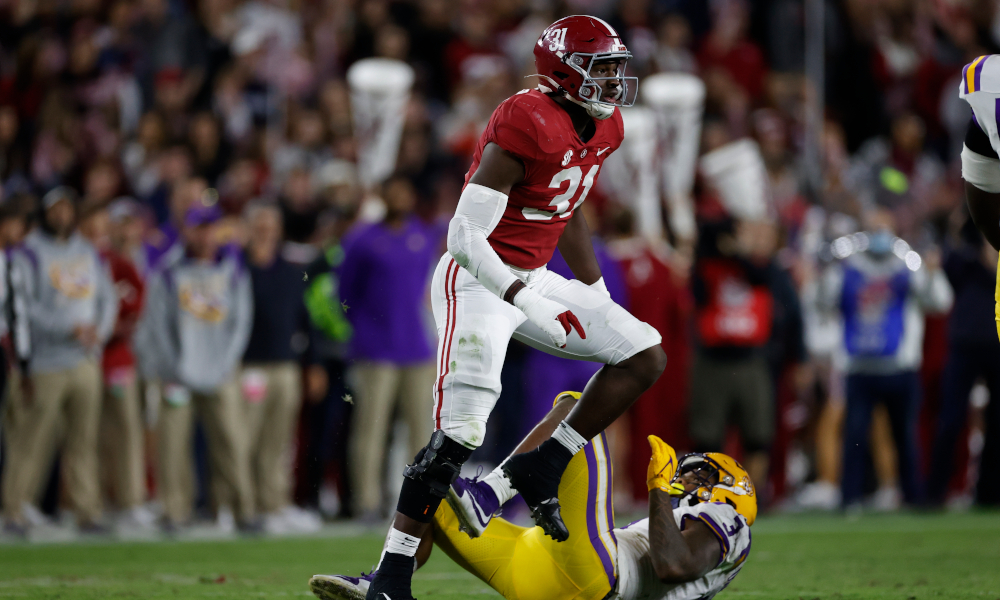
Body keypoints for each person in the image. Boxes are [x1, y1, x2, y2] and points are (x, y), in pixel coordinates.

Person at [333, 17, 666, 600]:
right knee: (460, 431)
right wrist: (518, 296)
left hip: (532, 276)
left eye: (617, 66)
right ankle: (390, 578)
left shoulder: (606, 126)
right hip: (477, 280)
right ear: (564, 71)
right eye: (601, 67)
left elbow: (569, 206)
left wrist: (596, 293)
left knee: (643, 353)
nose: (614, 80)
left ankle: (529, 470)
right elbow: (463, 235)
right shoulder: (527, 119)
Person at [310, 392, 754, 600]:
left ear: (728, 485)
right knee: (434, 473)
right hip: (543, 568)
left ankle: (489, 494)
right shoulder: (701, 519)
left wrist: (658, 492)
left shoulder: (729, 523)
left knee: (577, 408)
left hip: (597, 579)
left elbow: (672, 565)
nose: (686, 480)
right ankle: (389, 582)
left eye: (697, 474)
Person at [817, 207, 952, 509]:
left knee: (905, 436)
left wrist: (931, 273)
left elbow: (940, 303)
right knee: (854, 436)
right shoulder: (846, 267)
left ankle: (912, 497)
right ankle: (849, 499)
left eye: (883, 228)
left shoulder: (909, 265)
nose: (878, 235)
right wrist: (826, 271)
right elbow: (824, 302)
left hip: (899, 366)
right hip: (859, 366)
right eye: (872, 228)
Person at [2, 186, 118, 533]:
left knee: (84, 440)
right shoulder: (28, 254)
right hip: (46, 361)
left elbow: (107, 298)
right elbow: (24, 308)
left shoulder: (89, 252)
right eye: (56, 208)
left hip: (85, 359)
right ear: (45, 213)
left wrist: (99, 331)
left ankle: (86, 510)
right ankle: (13, 509)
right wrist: (68, 329)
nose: (63, 215)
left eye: (68, 208)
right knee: (31, 440)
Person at [138, 203, 255, 530]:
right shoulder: (168, 271)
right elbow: (157, 326)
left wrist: (226, 363)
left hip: (221, 372)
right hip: (178, 374)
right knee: (172, 446)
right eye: (198, 228)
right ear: (186, 231)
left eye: (210, 228)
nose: (205, 236)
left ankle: (243, 510)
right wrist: (172, 367)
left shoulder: (232, 270)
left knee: (232, 442)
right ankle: (174, 510)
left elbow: (241, 322)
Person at [338, 176, 440, 522]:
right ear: (381, 196)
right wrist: (363, 331)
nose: (399, 197)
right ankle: (366, 502)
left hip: (416, 348)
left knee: (422, 432)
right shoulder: (361, 238)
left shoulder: (422, 236)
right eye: (392, 191)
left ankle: (419, 504)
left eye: (404, 191)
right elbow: (344, 293)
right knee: (371, 430)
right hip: (375, 350)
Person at [241, 202, 321, 532]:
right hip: (248, 367)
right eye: (259, 223)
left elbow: (306, 320)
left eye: (270, 224)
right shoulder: (238, 269)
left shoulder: (290, 272)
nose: (265, 230)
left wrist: (313, 363)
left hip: (285, 367)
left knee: (278, 441)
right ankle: (241, 506)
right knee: (244, 440)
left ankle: (273, 505)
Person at [78, 201, 152, 528]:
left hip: (119, 359)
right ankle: (91, 503)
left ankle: (130, 500)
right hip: (86, 358)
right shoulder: (83, 262)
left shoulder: (123, 264)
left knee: (125, 430)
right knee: (89, 434)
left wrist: (118, 327)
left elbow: (139, 303)